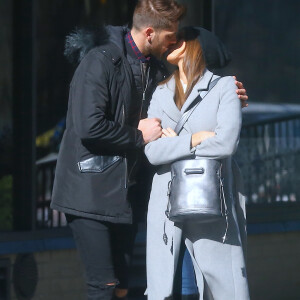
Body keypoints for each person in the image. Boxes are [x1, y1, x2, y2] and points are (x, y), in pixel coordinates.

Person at [50, 1, 248, 299]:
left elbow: (188, 104)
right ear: (151, 32)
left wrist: (230, 97)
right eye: (171, 34)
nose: (175, 39)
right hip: (88, 190)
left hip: (126, 194)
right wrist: (138, 135)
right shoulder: (100, 60)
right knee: (103, 285)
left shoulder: (154, 68)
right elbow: (89, 127)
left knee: (121, 287)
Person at [145, 26, 250, 300]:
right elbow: (153, 153)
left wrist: (175, 145)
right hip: (167, 213)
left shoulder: (224, 87)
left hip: (212, 208)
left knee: (218, 290)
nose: (170, 43)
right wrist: (195, 140)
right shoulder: (160, 93)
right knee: (173, 290)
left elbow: (226, 143)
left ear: (196, 46)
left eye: (178, 39)